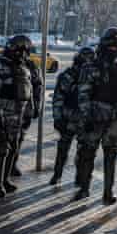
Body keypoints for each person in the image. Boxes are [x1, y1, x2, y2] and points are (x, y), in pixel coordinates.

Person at [74, 27, 117, 204]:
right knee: (88, 154)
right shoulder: (90, 67)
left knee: (110, 156)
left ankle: (108, 192)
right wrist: (86, 118)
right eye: (111, 46)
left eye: (116, 47)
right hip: (95, 118)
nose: (114, 50)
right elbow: (83, 95)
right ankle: (85, 188)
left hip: (113, 119)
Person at [0, 35, 34, 199]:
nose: (25, 55)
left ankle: (5, 180)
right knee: (1, 148)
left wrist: (29, 111)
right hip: (3, 115)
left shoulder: (23, 67)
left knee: (13, 147)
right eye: (24, 51)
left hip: (17, 116)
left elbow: (28, 91)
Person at [50, 47, 94, 186]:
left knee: (83, 151)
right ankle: (57, 174)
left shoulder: (93, 77)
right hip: (68, 118)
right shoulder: (68, 75)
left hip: (84, 119)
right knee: (63, 148)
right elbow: (58, 98)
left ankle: (79, 178)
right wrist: (57, 118)